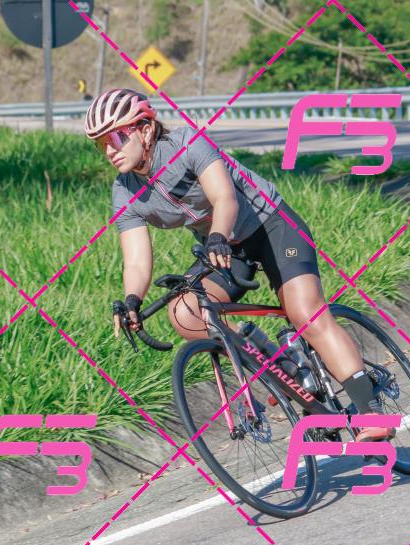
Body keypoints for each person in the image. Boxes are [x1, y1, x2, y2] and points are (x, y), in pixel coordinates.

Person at [84, 88, 394, 443]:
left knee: (304, 313)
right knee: (186, 311)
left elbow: (224, 197)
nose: (109, 150)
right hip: (225, 247)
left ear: (145, 129)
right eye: (100, 144)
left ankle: (371, 411)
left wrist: (218, 235)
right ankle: (283, 365)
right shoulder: (125, 190)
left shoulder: (187, 144)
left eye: (116, 137)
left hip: (270, 225)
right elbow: (137, 259)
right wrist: (131, 300)